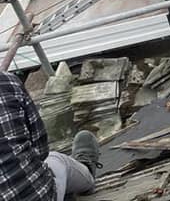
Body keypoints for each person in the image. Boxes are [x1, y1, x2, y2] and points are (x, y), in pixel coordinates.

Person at [0, 70, 100, 201]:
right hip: (41, 196)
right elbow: (41, 150)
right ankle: (87, 173)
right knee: (56, 159)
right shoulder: (7, 81)